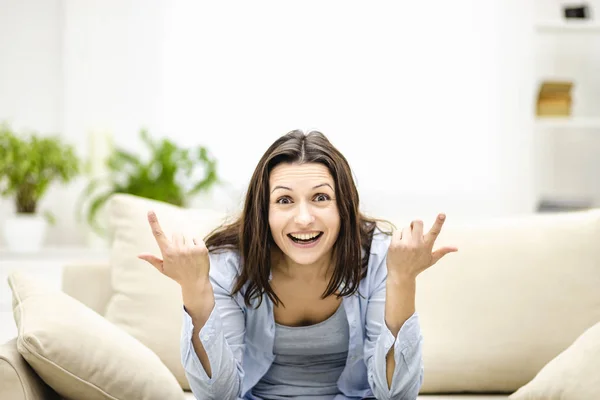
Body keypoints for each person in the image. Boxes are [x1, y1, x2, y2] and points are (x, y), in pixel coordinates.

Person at [138, 130, 458, 400]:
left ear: (343, 208)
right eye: (284, 200)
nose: (304, 218)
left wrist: (402, 279)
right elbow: (217, 395)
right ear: (264, 211)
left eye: (320, 198)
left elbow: (396, 395)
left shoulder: (377, 257)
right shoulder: (229, 264)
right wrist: (194, 288)